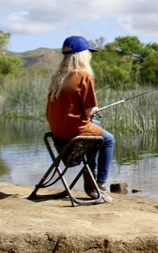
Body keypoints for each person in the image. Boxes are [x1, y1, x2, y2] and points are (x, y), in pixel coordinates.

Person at [45, 36, 114, 203]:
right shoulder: (83, 76)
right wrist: (93, 111)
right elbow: (89, 111)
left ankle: (90, 173)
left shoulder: (58, 77)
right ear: (82, 54)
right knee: (109, 139)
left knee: (96, 126)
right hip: (73, 131)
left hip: (56, 132)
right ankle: (99, 183)